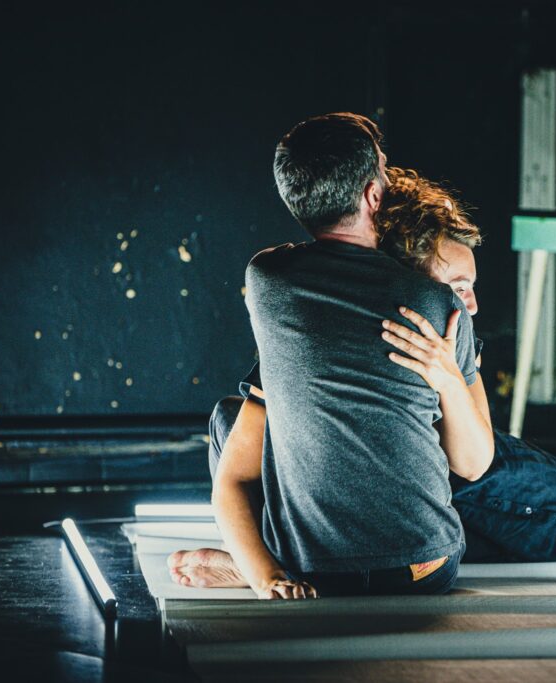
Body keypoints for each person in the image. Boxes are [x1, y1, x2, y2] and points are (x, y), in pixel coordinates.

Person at [170, 166, 556, 594]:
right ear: (405, 281)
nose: (472, 306)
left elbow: (473, 462)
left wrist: (448, 380)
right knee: (231, 421)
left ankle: (272, 559)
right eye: (459, 288)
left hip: (437, 483)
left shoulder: (447, 332)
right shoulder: (329, 322)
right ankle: (273, 560)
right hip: (353, 507)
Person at [169, 113, 492, 600]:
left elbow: (234, 478)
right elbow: (472, 464)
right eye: (381, 170)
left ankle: (252, 557)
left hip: (309, 572)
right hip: (425, 570)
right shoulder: (438, 307)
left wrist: (266, 578)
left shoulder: (267, 280)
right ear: (371, 197)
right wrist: (449, 380)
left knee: (232, 418)